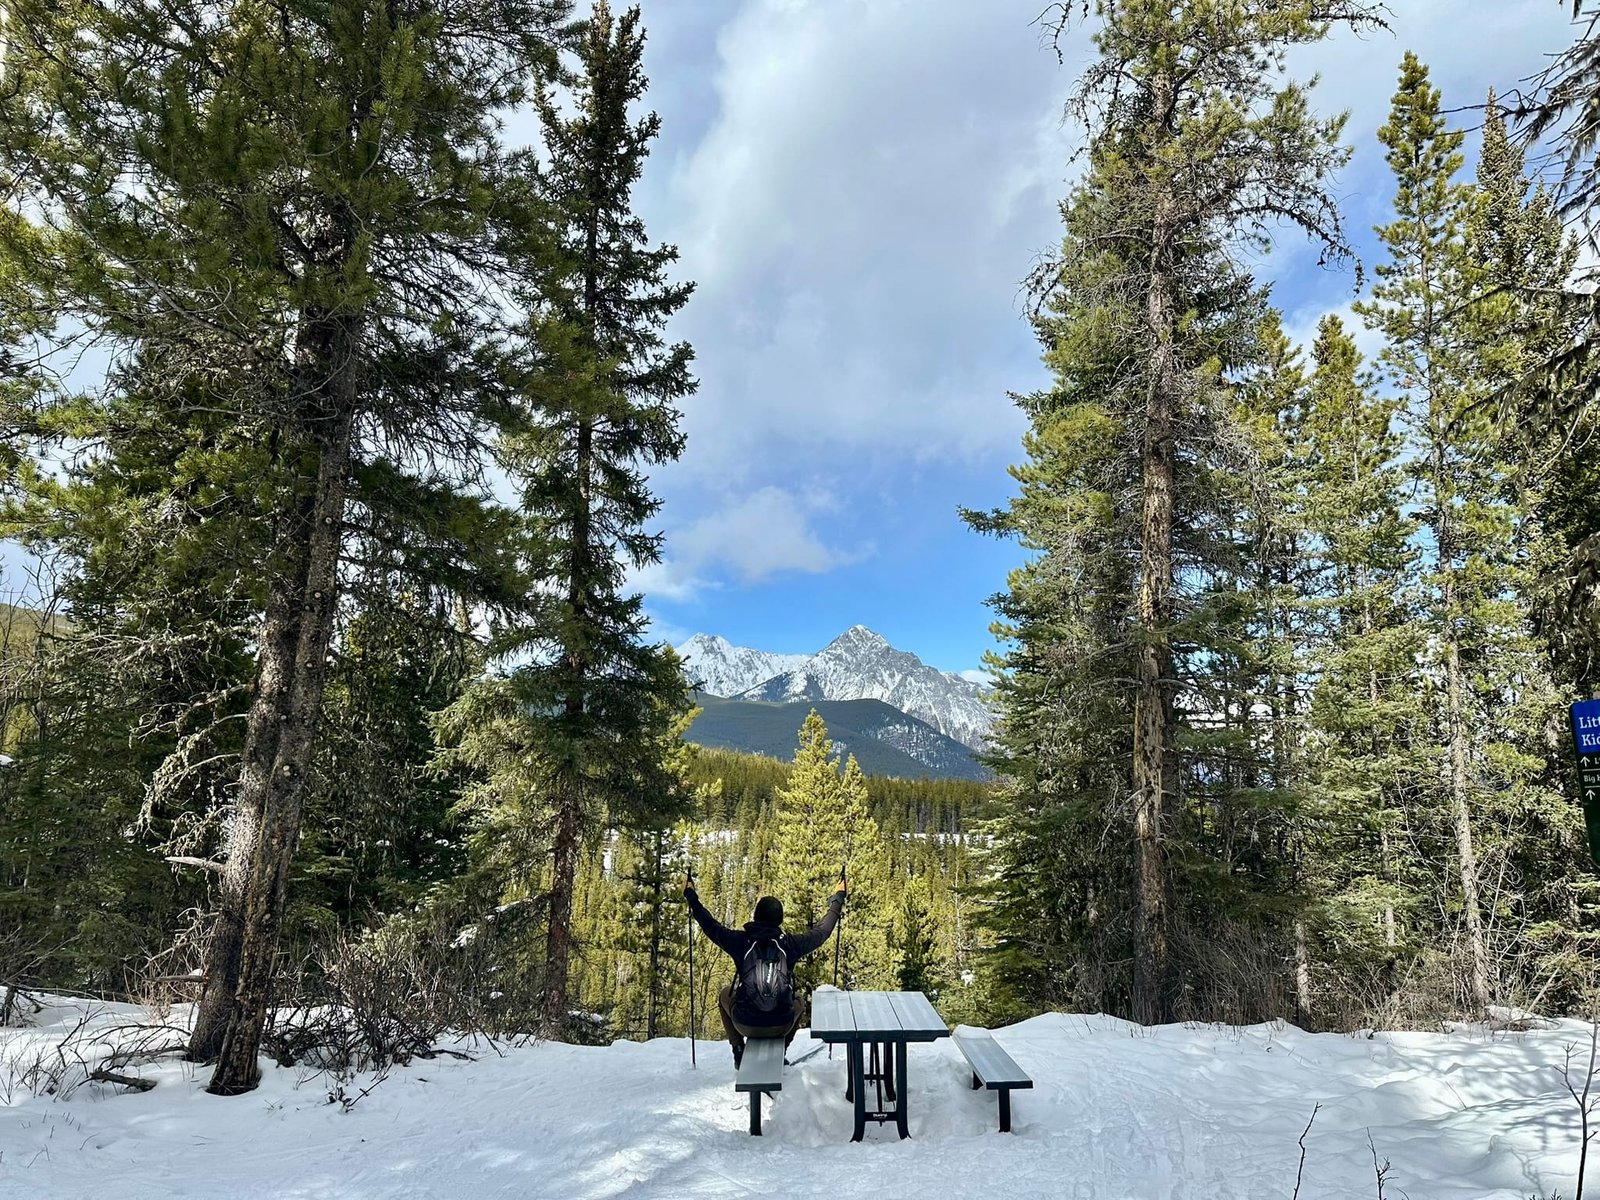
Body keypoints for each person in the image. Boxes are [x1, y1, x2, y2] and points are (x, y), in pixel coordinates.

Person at [683, 875, 846, 1068]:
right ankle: (782, 1049)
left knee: (723, 995)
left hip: (745, 1023)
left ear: (756, 916)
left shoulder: (740, 941)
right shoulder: (790, 944)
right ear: (779, 920)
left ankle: (738, 1049)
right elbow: (822, 932)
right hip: (781, 1024)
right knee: (800, 1001)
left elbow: (710, 925)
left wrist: (691, 895)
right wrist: (837, 899)